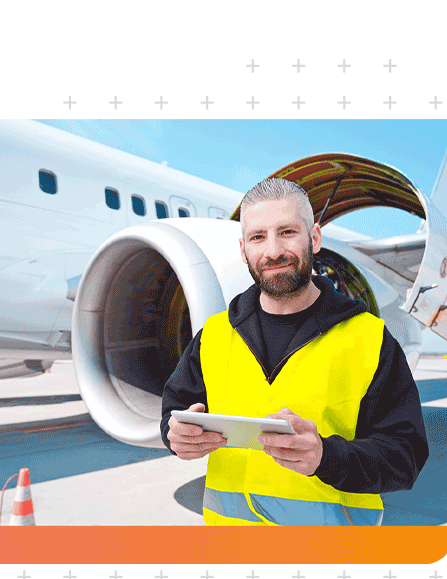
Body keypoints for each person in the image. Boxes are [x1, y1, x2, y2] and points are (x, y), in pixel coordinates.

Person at [160, 177, 428, 525]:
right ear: (243, 250)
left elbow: (405, 458)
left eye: (287, 232)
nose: (272, 251)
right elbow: (174, 413)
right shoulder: (214, 335)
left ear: (314, 238)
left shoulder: (369, 338)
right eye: (258, 237)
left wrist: (325, 457)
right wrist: (176, 437)